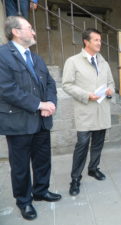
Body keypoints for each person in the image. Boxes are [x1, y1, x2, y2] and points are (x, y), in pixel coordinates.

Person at [0, 16, 61, 220]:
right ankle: (24, 201)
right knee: (20, 166)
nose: (34, 32)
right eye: (30, 28)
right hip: (18, 122)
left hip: (42, 120)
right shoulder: (2, 55)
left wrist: (50, 104)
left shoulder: (36, 58)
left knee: (43, 160)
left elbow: (51, 84)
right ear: (16, 32)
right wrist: (38, 104)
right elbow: (7, 89)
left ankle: (41, 191)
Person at [62, 28, 115, 196]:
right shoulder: (73, 61)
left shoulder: (104, 62)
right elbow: (67, 85)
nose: (100, 43)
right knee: (82, 145)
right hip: (85, 110)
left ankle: (93, 168)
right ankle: (75, 178)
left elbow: (111, 83)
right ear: (86, 41)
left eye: (100, 40)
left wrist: (110, 91)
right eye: (96, 40)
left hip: (102, 109)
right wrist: (86, 95)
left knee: (98, 143)